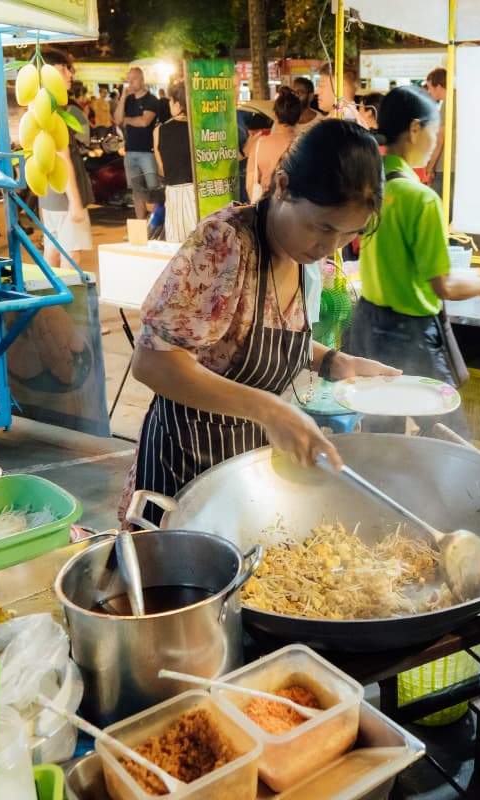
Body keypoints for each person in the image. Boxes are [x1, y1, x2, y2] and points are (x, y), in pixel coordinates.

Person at [119, 120, 399, 525]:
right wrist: (270, 410)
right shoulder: (225, 245)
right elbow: (152, 362)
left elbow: (259, 332)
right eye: (323, 227)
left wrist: (334, 362)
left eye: (347, 235)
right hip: (183, 466)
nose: (330, 246)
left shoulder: (304, 257)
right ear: (282, 186)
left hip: (244, 466)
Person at [345, 86, 480, 437]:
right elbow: (444, 285)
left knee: (382, 434)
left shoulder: (373, 185)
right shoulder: (420, 199)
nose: (436, 143)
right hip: (411, 337)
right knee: (448, 435)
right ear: (415, 129)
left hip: (368, 327)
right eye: (435, 133)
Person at [39, 54, 94, 272]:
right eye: (63, 69)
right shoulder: (56, 114)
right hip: (64, 196)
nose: (70, 74)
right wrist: (75, 201)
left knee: (52, 252)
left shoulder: (40, 107)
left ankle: (48, 293)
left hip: (49, 196)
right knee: (71, 257)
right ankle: (65, 294)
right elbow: (63, 157)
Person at [154, 81, 196, 243]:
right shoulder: (199, 129)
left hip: (173, 191)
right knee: (198, 242)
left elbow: (162, 169)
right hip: (196, 191)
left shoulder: (159, 131)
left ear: (177, 105)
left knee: (175, 243)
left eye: (171, 101)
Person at [117, 67, 161, 219]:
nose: (130, 83)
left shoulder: (152, 100)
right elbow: (117, 120)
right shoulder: (128, 100)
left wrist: (127, 120)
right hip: (130, 151)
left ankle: (156, 224)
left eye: (133, 79)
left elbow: (144, 121)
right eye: (128, 80)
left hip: (147, 152)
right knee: (137, 192)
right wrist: (122, 97)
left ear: (142, 79)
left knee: (153, 190)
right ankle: (141, 224)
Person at [247, 86, 303, 202]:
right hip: (297, 206)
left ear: (275, 115)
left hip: (268, 206)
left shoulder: (260, 144)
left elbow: (250, 185)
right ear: (299, 117)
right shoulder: (305, 144)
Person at [422, 67, 448, 195]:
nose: (429, 91)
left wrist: (429, 167)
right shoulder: (457, 99)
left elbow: (440, 140)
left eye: (429, 87)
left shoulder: (448, 104)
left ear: (438, 87)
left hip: (446, 167)